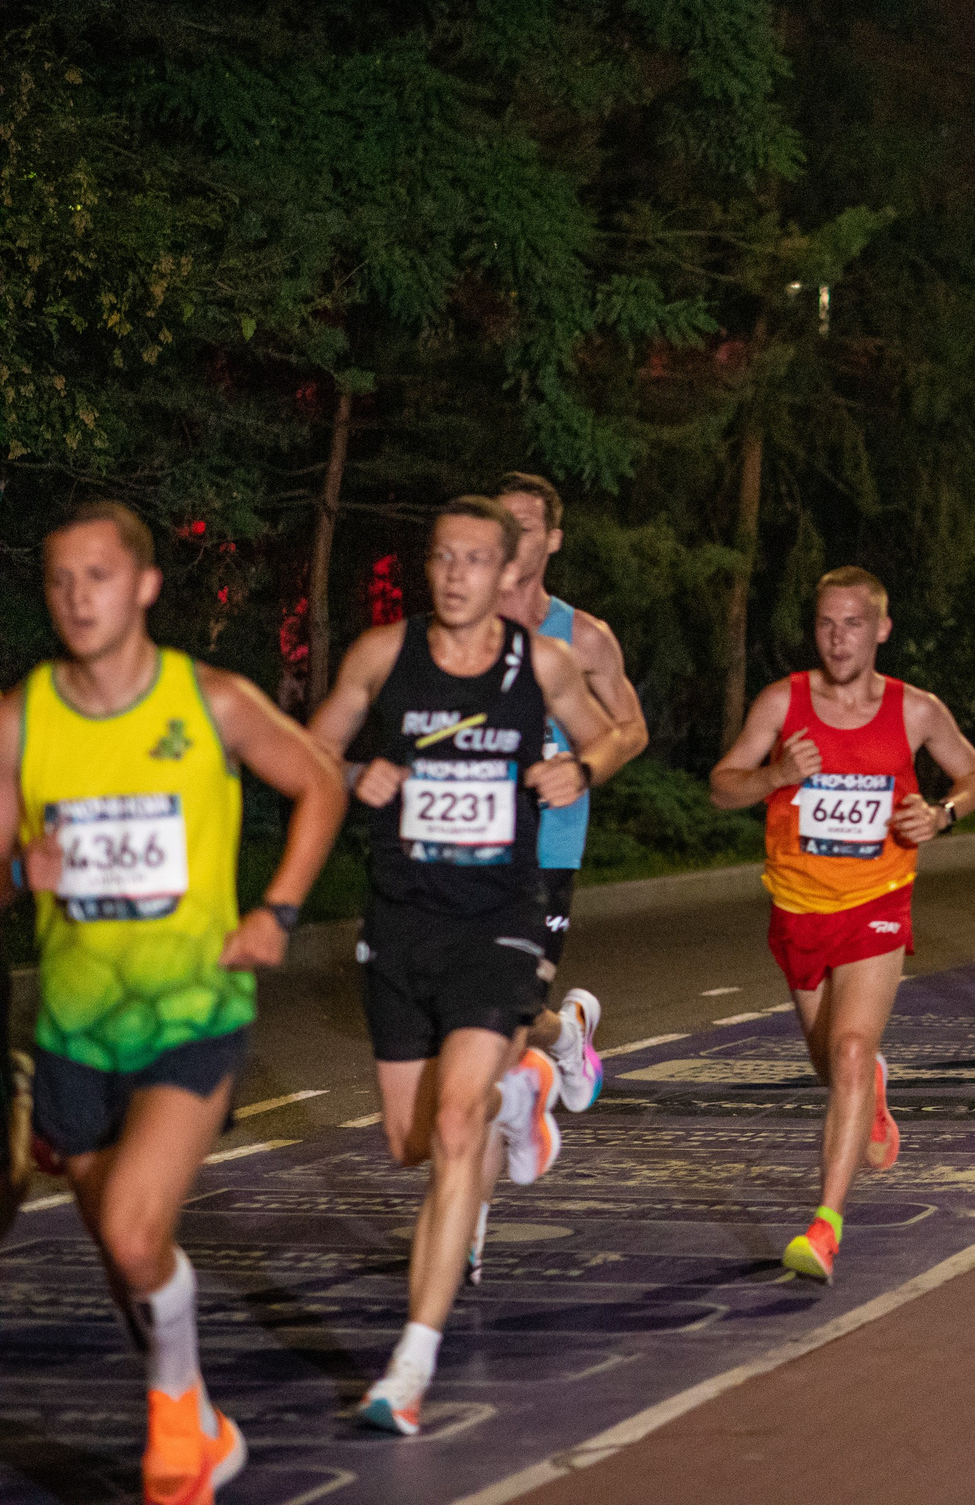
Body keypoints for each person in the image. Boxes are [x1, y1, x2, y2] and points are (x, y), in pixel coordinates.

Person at [3, 501, 346, 1499]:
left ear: (146, 585)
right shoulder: (21, 720)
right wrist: (24, 873)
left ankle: (174, 1440)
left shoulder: (213, 702)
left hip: (195, 1012)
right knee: (125, 1259)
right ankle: (199, 1420)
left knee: (132, 1233)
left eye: (98, 577)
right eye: (61, 580)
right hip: (74, 1029)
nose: (77, 598)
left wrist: (277, 909)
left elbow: (319, 784)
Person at [308, 497, 634, 1434]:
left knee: (453, 1127)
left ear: (506, 573)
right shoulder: (384, 655)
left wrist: (585, 767)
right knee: (411, 1143)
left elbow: (616, 730)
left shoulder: (541, 661)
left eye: (476, 559)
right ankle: (526, 1087)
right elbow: (308, 746)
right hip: (402, 922)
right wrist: (346, 775)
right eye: (442, 557)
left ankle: (410, 1363)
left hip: (498, 919)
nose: (456, 574)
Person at [710, 566, 975, 1284]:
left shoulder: (914, 710)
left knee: (850, 1048)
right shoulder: (784, 702)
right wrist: (775, 775)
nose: (839, 639)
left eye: (854, 624)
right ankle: (872, 1091)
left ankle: (824, 1225)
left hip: (878, 904)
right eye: (828, 624)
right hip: (799, 909)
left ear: (881, 628)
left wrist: (940, 813)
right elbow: (721, 786)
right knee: (831, 1066)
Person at [478, 471, 648, 1282]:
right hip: (466, 851)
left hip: (546, 849)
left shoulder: (583, 638)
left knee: (497, 1020)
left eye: (527, 525)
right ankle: (567, 1037)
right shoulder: (457, 626)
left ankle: (466, 1230)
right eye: (498, 523)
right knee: (482, 1025)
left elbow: (633, 729)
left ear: (552, 539)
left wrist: (578, 766)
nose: (513, 538)